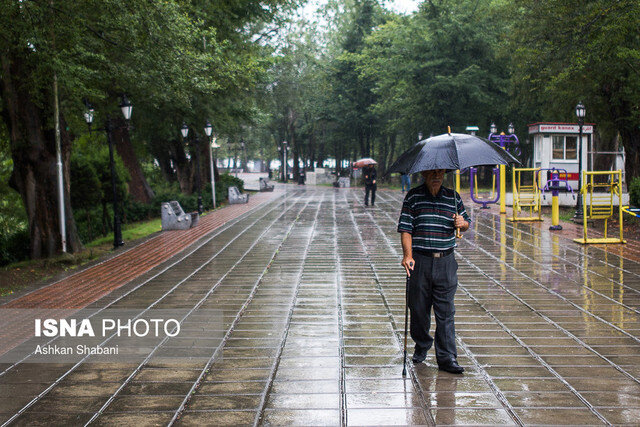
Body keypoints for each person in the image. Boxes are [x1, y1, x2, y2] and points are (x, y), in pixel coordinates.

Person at [397, 169, 470, 374]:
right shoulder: (413, 197)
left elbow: (466, 223)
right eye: (432, 172)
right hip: (419, 261)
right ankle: (422, 344)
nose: (437, 175)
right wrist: (407, 255)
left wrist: (461, 223)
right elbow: (406, 229)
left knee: (446, 312)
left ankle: (447, 357)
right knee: (418, 309)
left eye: (440, 172)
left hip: (446, 261)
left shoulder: (453, 198)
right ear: (424, 173)